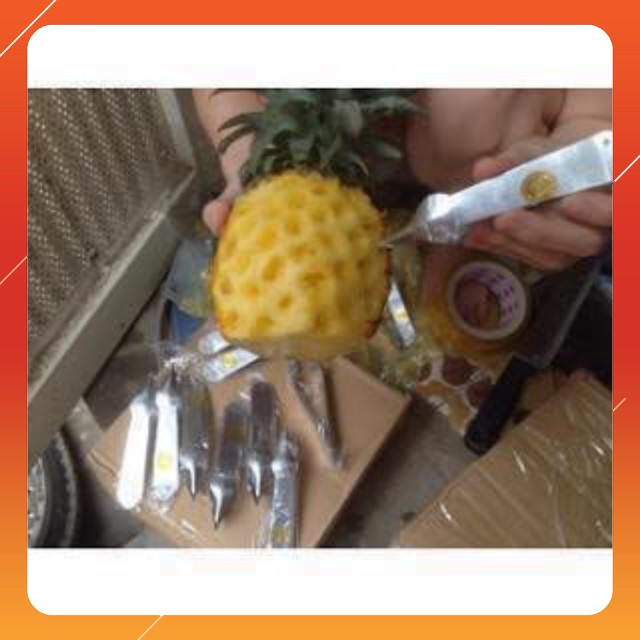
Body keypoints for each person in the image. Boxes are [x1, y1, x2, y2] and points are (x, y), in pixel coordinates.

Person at [193, 89, 612, 273]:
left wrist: (577, 155)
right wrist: (250, 158)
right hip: (321, 196)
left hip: (499, 223)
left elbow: (600, 109)